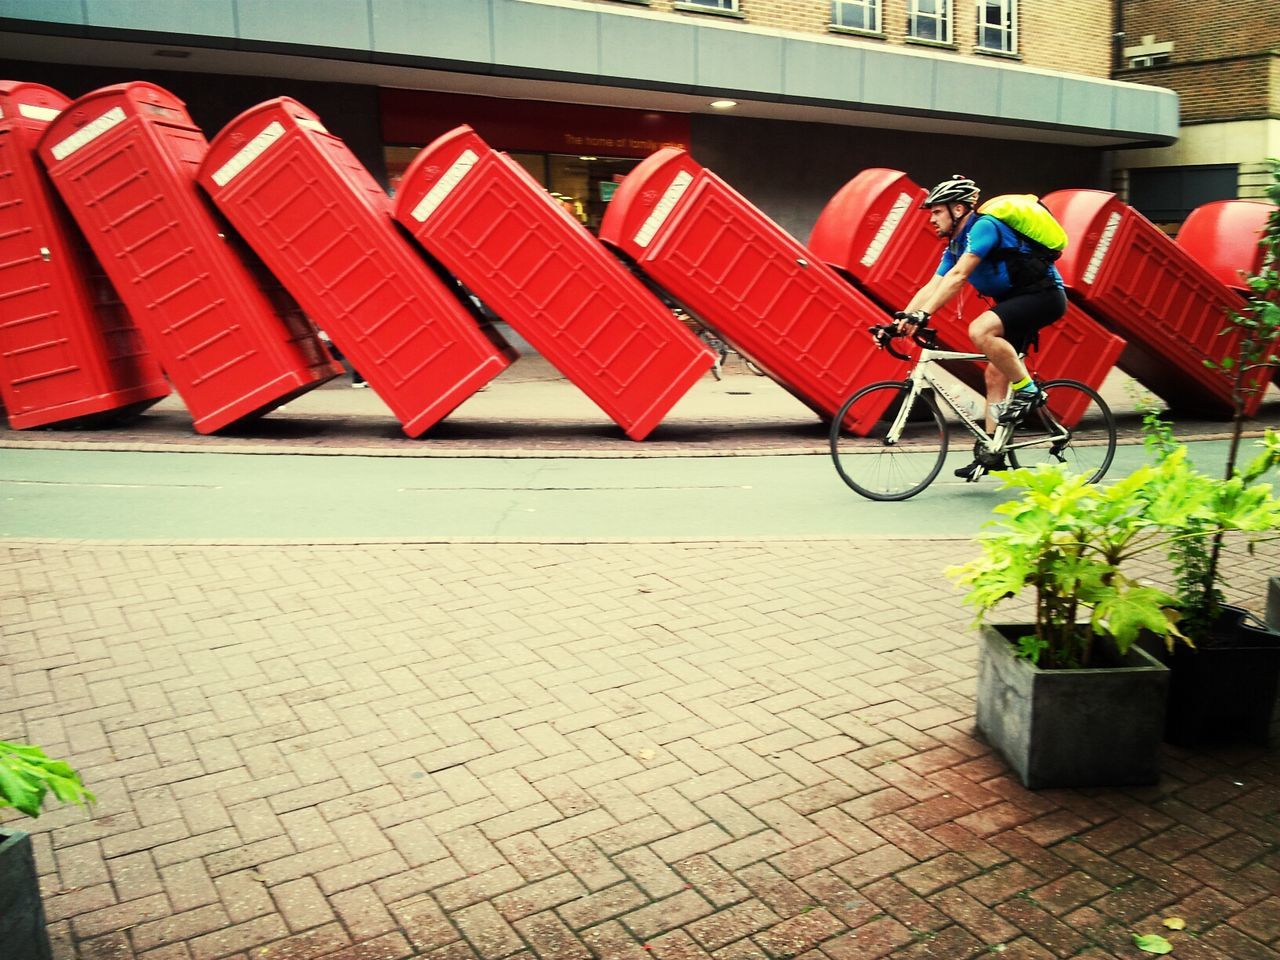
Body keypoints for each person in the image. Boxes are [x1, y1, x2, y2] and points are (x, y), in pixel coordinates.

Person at [895, 175, 1068, 480]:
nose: (932, 219)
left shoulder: (983, 227)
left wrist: (924, 315)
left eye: (937, 212)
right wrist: (901, 320)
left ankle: (1029, 392)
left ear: (958, 209)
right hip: (1017, 300)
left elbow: (960, 276)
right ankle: (992, 451)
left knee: (980, 331)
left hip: (1043, 297)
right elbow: (935, 284)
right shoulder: (955, 244)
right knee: (994, 373)